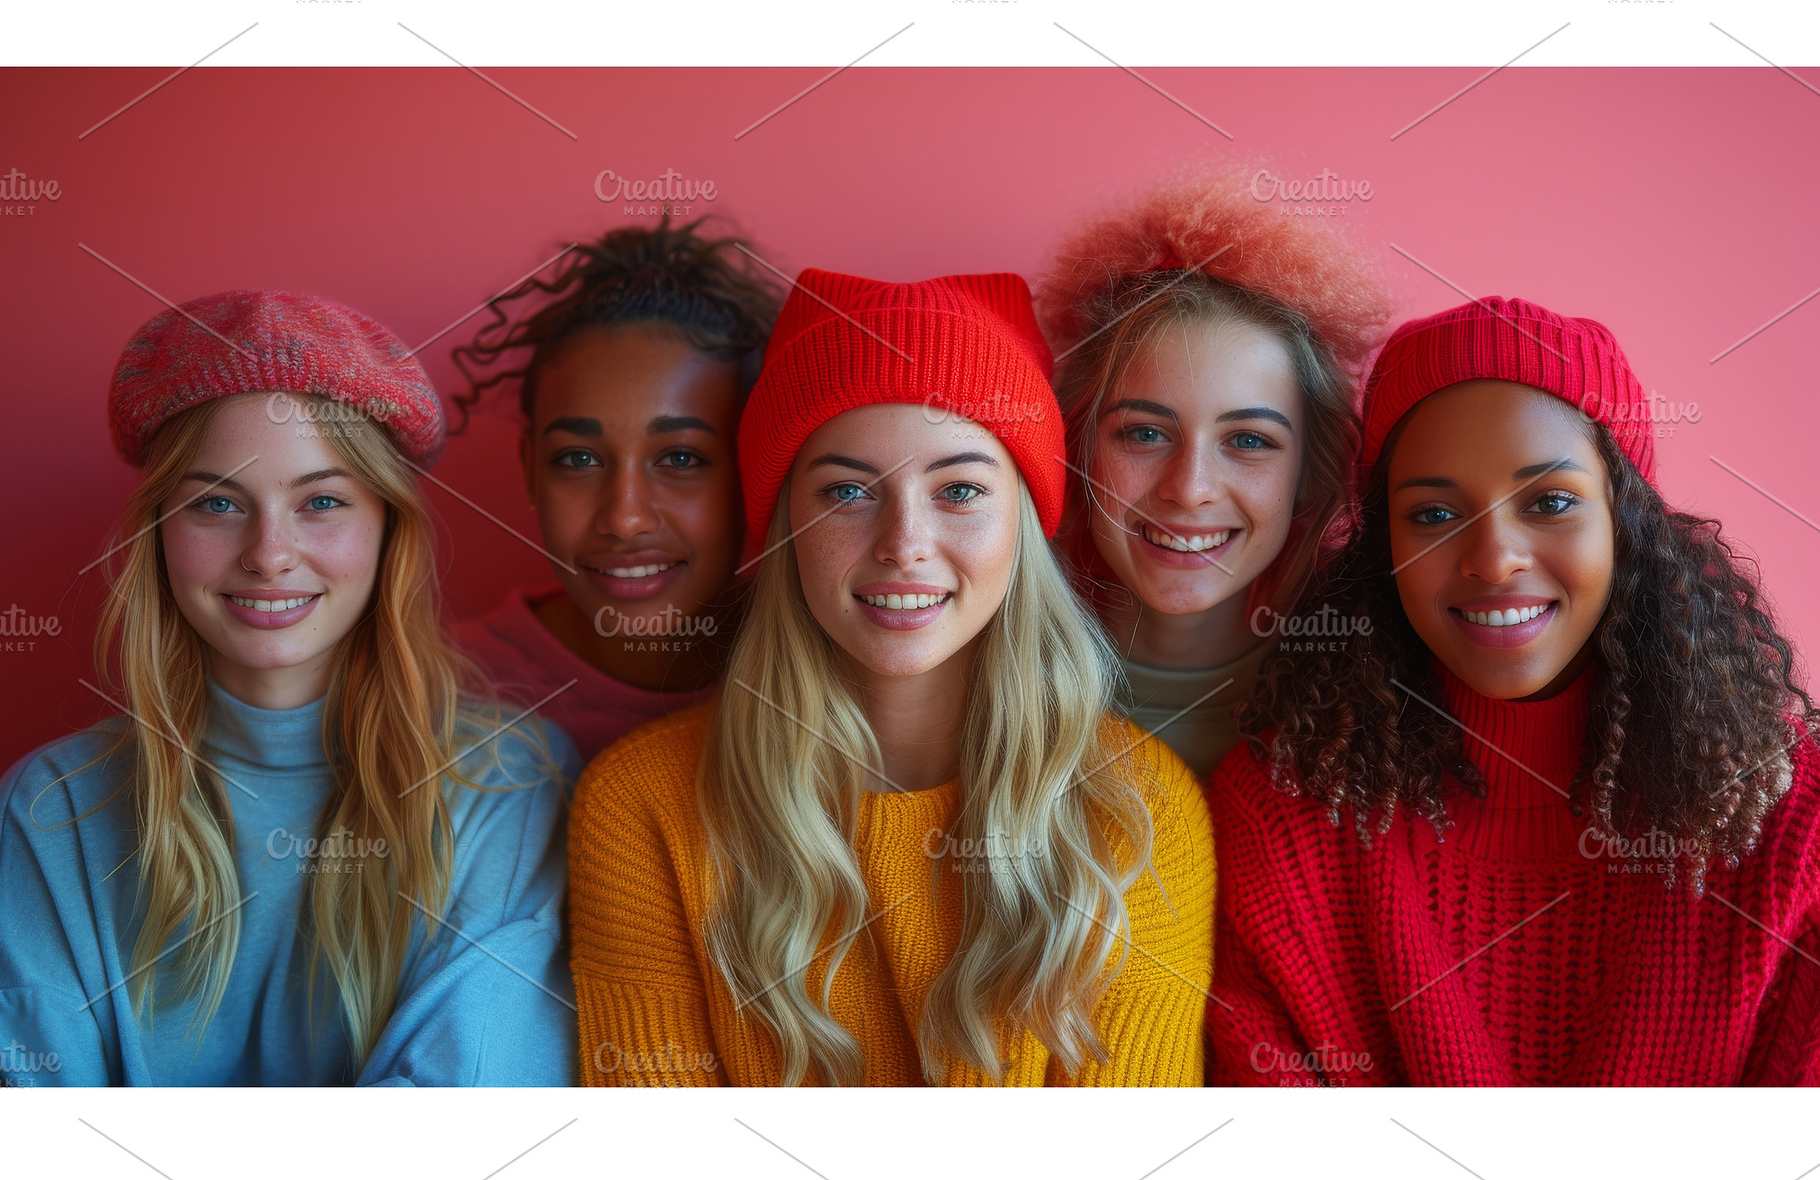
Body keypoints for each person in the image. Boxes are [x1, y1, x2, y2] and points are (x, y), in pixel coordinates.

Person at [568, 269, 1214, 1086]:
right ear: (784, 527)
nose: (903, 542)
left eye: (960, 490)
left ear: (1024, 522)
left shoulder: (1136, 812)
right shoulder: (644, 806)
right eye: (845, 490)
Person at [1208, 296, 1820, 1085]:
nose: (1494, 560)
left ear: (1626, 523)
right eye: (1433, 513)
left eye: (1551, 503)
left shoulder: (1789, 816)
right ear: (1381, 548)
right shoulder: (1285, 816)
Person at [0, 291, 577, 1086]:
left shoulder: (510, 782)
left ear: (388, 528)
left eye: (322, 502)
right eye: (218, 504)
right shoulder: (51, 811)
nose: (270, 555)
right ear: (158, 530)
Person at [1038, 165, 1389, 777]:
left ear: (1309, 470)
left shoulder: (1364, 716)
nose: (1191, 488)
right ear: (1079, 447)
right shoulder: (989, 685)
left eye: (1249, 440)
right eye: (1145, 433)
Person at [450, 218, 780, 761]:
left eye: (680, 457)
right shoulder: (437, 692)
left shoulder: (826, 682)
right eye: (578, 459)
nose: (624, 519)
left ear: (753, 465)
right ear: (531, 467)